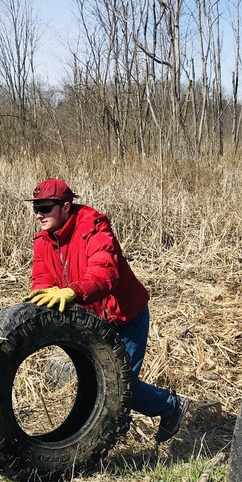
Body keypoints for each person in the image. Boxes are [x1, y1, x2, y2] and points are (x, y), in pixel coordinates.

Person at [23, 178, 188, 442]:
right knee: (101, 383)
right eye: (36, 209)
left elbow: (105, 272)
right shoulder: (43, 241)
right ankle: (114, 430)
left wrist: (73, 292)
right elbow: (41, 278)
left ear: (65, 207)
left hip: (125, 316)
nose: (39, 215)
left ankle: (170, 406)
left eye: (46, 208)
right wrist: (39, 296)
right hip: (91, 322)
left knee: (120, 385)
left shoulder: (93, 227)